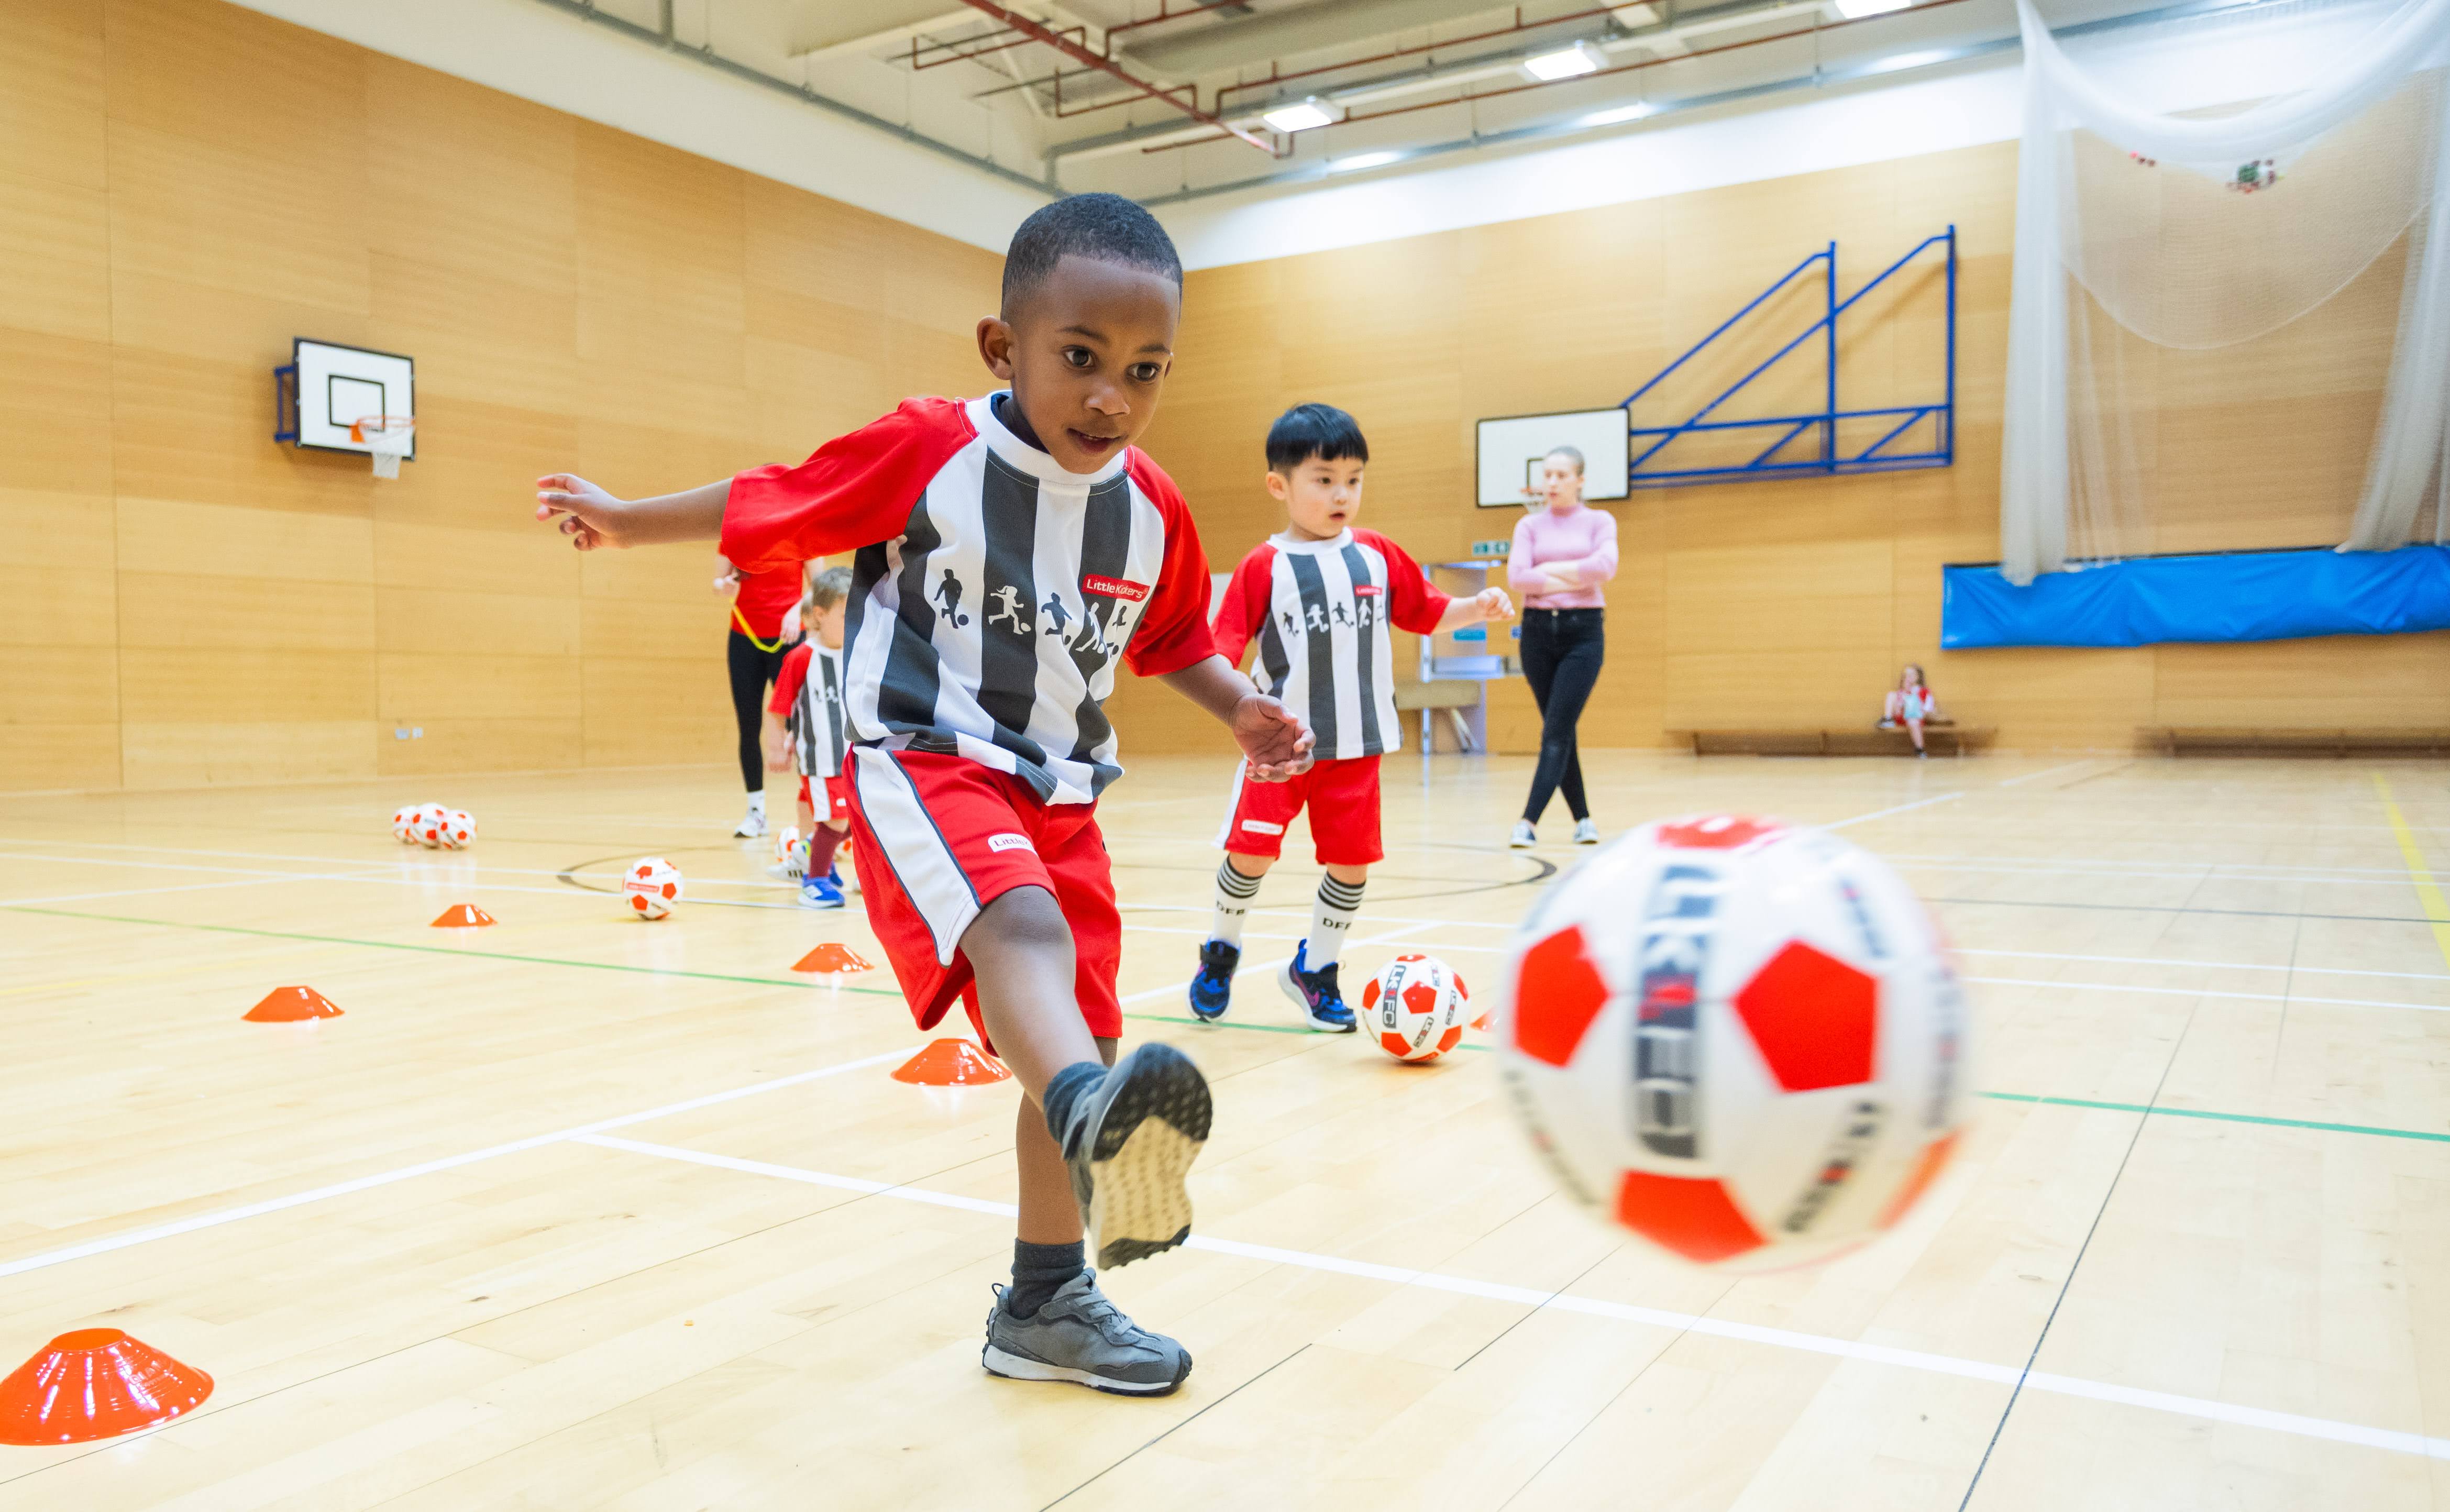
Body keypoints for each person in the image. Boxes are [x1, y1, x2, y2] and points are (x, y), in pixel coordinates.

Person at [533, 193, 1314, 1398]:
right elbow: (771, 497)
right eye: (1081, 359)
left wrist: (1240, 709)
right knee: (1026, 937)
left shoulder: (1151, 505)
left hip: (1062, 786)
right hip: (921, 753)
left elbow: (1167, 637)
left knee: (1081, 1032)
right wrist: (626, 522)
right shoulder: (930, 450)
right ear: (1003, 350)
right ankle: (1094, 1117)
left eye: (1145, 370)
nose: (1112, 394)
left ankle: (1047, 1298)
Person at [1192, 403, 1514, 1029]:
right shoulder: (1265, 566)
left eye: (1354, 479)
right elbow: (1220, 649)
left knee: (1351, 863)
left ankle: (1316, 968)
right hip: (1282, 752)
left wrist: (1475, 606)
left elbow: (1424, 611)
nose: (1342, 493)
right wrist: (1238, 709)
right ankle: (1221, 951)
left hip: (1360, 743)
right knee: (1251, 856)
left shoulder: (1377, 554)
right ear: (1279, 485)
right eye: (1324, 479)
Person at [1507, 445, 1618, 849]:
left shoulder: (1599, 520)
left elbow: (1605, 568)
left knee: (1554, 730)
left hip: (1583, 634)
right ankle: (1584, 819)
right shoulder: (1529, 526)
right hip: (1536, 633)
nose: (1551, 483)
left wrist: (1547, 572)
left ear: (1579, 480)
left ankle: (1528, 821)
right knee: (1561, 727)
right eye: (1547, 476)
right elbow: (1518, 577)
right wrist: (1575, 575)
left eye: (1561, 476)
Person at [762, 567, 857, 907]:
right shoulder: (801, 657)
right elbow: (778, 710)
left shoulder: (855, 653)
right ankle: (814, 881)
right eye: (847, 614)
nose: (854, 621)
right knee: (837, 820)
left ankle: (812, 852)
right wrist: (777, 747)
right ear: (819, 614)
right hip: (821, 759)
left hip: (852, 758)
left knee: (859, 819)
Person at [716, 552, 805, 839]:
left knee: (801, 726)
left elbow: (823, 586)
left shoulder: (801, 534)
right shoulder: (738, 538)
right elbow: (719, 581)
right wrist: (724, 585)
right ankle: (756, 813)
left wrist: (797, 610)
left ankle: (818, 809)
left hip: (790, 638)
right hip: (744, 638)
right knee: (748, 724)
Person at [1880, 663, 1939, 757]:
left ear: (1918, 676)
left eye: (1911, 675)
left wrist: (1923, 709)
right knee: (1891, 695)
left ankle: (1920, 749)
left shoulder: (1924, 691)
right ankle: (1888, 719)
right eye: (1906, 675)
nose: (1908, 678)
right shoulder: (1902, 691)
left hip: (1916, 717)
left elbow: (1929, 707)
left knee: (1913, 722)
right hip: (1903, 716)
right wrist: (1903, 698)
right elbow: (1899, 707)